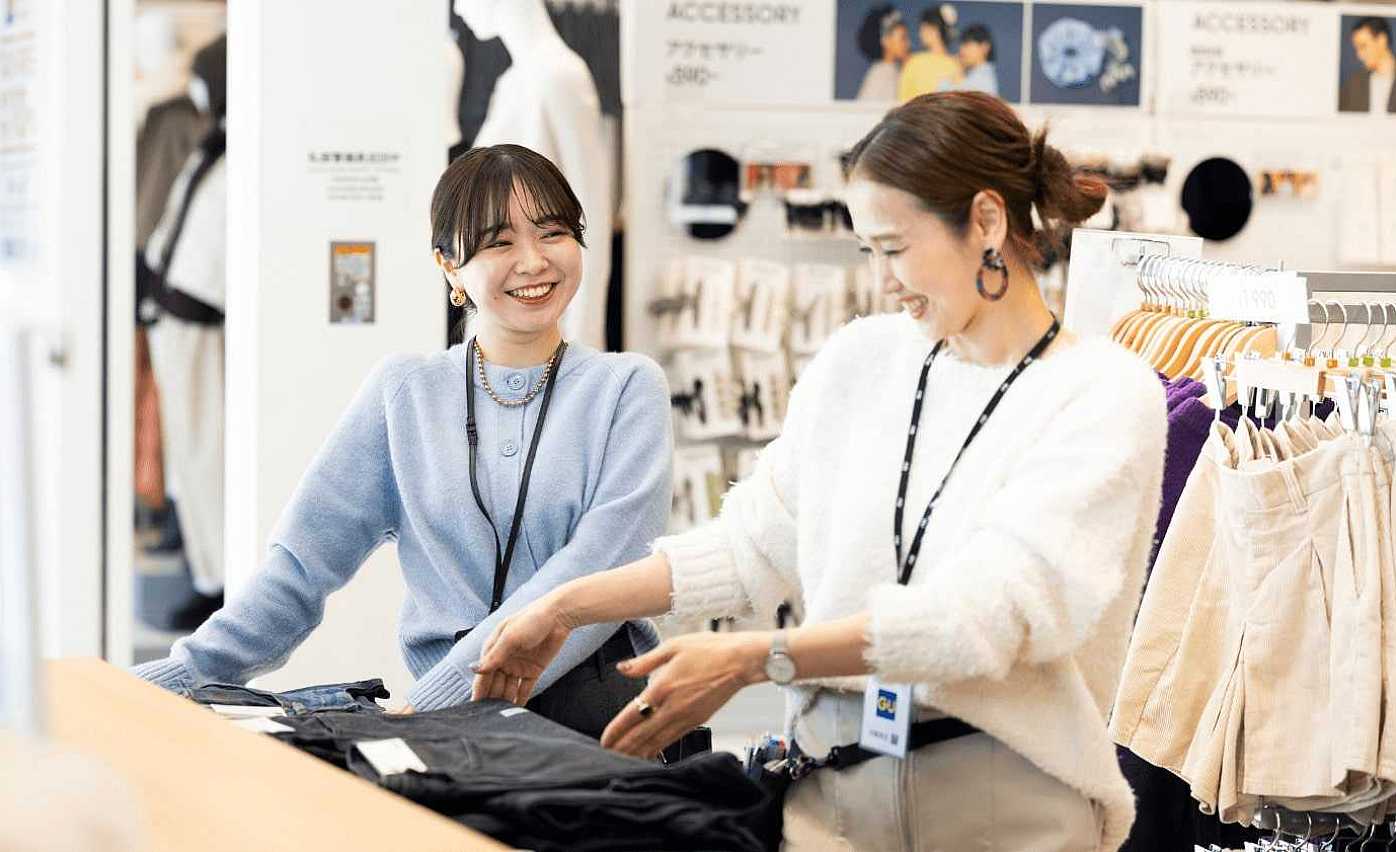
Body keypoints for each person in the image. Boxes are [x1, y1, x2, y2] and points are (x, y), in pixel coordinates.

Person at [472, 92, 1167, 850]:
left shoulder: (1101, 394)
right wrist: (563, 608)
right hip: (828, 794)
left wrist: (757, 659)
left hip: (1001, 811)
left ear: (987, 222)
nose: (883, 281)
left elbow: (985, 618)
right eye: (868, 251)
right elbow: (752, 545)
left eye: (894, 248)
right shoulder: (861, 361)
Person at [135, 145, 674, 738]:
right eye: (499, 243)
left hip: (602, 727)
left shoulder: (627, 388)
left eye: (553, 233)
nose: (533, 261)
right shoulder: (406, 392)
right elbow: (299, 571)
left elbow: (601, 566)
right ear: (450, 265)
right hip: (447, 735)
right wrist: (171, 679)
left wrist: (435, 703)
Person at [140, 34, 228, 631]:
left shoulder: (235, 154)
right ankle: (206, 574)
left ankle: (220, 582)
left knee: (209, 453)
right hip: (174, 317)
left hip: (202, 323)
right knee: (189, 459)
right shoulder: (210, 147)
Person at [898, 6, 962, 101]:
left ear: (934, 29)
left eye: (923, 28)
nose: (920, 34)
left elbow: (902, 100)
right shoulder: (956, 65)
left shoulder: (914, 62)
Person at [1339, 17, 1396, 114]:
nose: (1359, 55)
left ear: (1382, 40)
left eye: (1363, 46)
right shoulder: (1355, 83)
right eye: (1357, 48)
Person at [856, 5, 910, 102]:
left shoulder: (893, 69)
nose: (908, 44)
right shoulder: (881, 74)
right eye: (903, 38)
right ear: (885, 41)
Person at [955, 23, 1000, 96]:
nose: (961, 51)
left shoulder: (982, 80)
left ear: (984, 47)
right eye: (961, 45)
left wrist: (957, 72)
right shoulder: (976, 76)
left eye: (967, 44)